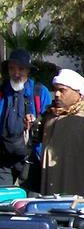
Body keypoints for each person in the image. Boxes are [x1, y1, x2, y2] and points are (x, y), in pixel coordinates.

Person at [39, 69, 84, 197]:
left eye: (62, 90)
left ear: (77, 92)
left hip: (81, 189)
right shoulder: (50, 115)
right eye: (55, 89)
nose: (56, 94)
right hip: (51, 188)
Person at [0, 48, 51, 187]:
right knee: (3, 202)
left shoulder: (40, 92)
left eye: (21, 69)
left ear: (28, 70)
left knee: (32, 204)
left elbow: (50, 121)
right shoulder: (2, 91)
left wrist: (36, 123)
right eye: (12, 69)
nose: (16, 73)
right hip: (4, 159)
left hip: (32, 157)